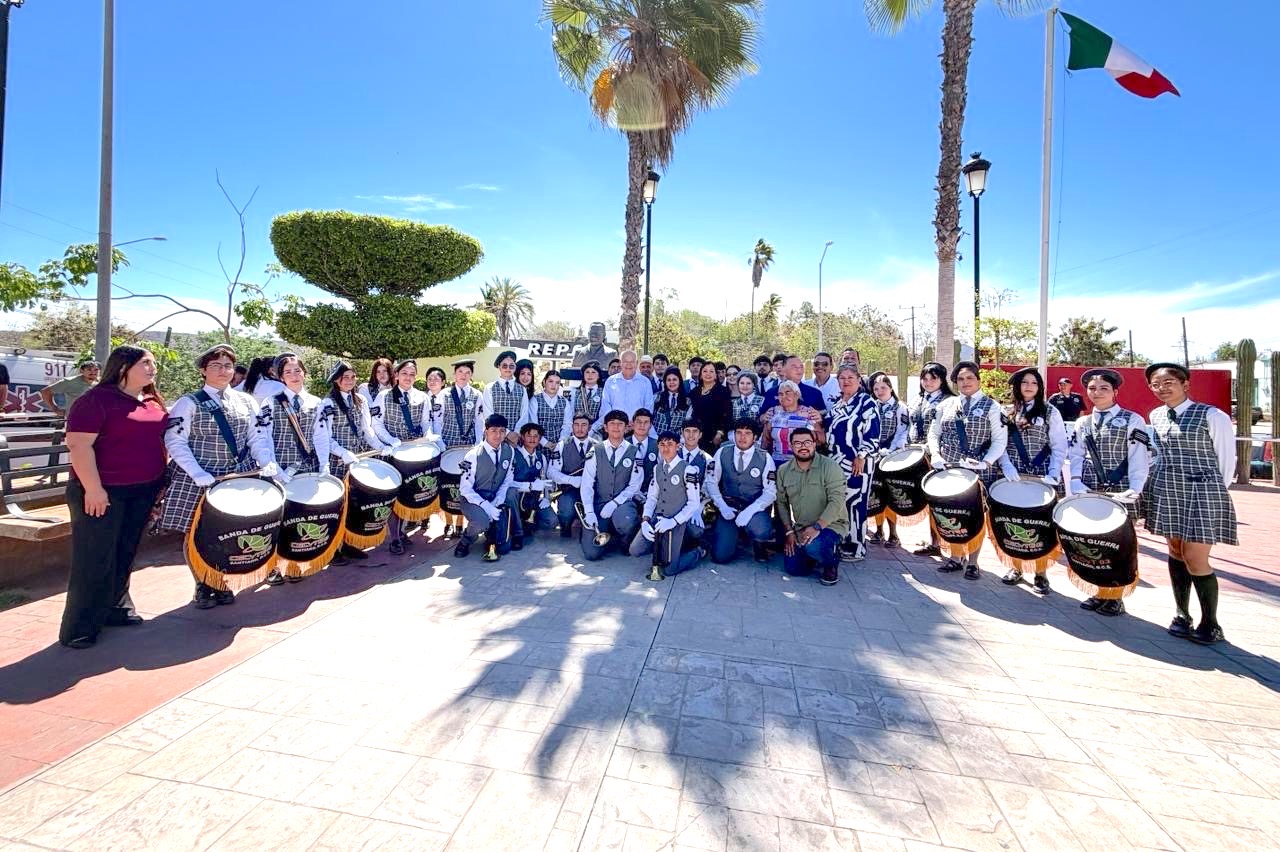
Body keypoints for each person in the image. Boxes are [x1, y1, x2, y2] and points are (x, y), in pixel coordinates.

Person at [59, 346, 168, 649]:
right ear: (123, 366)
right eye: (146, 363)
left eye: (153, 364)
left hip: (142, 491)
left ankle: (116, 609)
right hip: (102, 492)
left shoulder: (151, 400)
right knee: (94, 559)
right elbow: (79, 447)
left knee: (125, 552)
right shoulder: (95, 400)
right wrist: (94, 489)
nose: (152, 368)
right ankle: (80, 628)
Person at [160, 344, 261, 609]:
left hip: (236, 476)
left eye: (228, 365)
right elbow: (175, 440)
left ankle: (222, 580)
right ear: (204, 370)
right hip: (200, 478)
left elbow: (256, 437)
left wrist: (266, 461)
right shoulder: (188, 403)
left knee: (230, 531)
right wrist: (197, 472)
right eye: (216, 365)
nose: (223, 370)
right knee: (197, 534)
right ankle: (203, 584)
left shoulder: (246, 401)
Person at [1143, 362, 1237, 645]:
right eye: (1156, 384)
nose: (1162, 388)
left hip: (1203, 491)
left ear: (1185, 384)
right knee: (1175, 549)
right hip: (1168, 489)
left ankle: (1211, 622)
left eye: (1168, 382)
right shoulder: (1156, 415)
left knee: (1196, 558)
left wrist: (1212, 491)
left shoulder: (1212, 415)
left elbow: (1225, 460)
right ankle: (1181, 613)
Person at [1066, 368, 1151, 615]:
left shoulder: (1131, 419)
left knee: (1119, 545)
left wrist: (1136, 487)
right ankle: (1098, 590)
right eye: (1092, 388)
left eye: (1104, 388)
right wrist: (1075, 480)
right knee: (1093, 540)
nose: (1097, 393)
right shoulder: (1083, 422)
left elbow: (1138, 456)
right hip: (1091, 487)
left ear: (1115, 391)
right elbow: (1076, 454)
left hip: (1121, 488)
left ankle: (1116, 595)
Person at [251, 353, 328, 582]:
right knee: (276, 519)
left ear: (304, 372)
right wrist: (272, 467)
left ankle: (295, 562)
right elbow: (263, 437)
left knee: (301, 517)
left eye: (297, 370)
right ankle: (272, 567)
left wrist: (323, 464)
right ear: (280, 377)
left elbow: (321, 436)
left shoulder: (316, 403)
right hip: (281, 467)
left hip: (307, 467)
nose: (294, 376)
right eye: (288, 372)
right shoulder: (271, 402)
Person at [926, 360, 1007, 579]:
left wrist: (987, 462)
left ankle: (973, 561)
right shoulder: (945, 405)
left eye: (970, 378)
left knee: (974, 516)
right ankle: (954, 557)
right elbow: (934, 434)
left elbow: (999, 441)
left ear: (979, 380)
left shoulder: (993, 407)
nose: (965, 382)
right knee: (951, 512)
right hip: (949, 467)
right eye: (960, 379)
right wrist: (935, 454)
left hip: (978, 470)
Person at [995, 367, 1068, 594]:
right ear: (1017, 386)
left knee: (1041, 525)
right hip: (1013, 474)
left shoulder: (1050, 411)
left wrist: (1054, 471)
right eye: (1024, 382)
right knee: (1013, 520)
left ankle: (1040, 572)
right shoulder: (1006, 412)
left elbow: (1059, 445)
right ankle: (1015, 567)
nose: (1029, 386)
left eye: (1034, 383)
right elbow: (1000, 442)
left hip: (1042, 473)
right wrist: (1005, 464)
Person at [314, 361, 390, 564]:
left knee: (355, 504)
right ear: (336, 380)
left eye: (352, 377)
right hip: (339, 461)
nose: (349, 380)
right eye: (344, 377)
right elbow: (324, 436)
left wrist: (380, 445)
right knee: (338, 507)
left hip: (359, 459)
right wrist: (341, 452)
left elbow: (367, 429)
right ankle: (333, 550)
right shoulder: (328, 403)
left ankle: (348, 544)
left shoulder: (361, 400)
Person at [373, 359, 435, 555]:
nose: (408, 378)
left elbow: (426, 423)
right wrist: (391, 440)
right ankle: (395, 537)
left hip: (415, 453)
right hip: (394, 453)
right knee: (395, 496)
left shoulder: (422, 397)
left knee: (409, 493)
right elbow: (377, 424)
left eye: (412, 374)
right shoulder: (383, 396)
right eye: (404, 374)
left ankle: (402, 531)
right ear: (397, 376)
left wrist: (428, 437)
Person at [776, 427, 848, 585]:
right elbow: (781, 502)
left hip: (831, 525)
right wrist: (789, 531)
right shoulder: (783, 471)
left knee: (815, 546)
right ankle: (814, 555)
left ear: (815, 444)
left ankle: (831, 562)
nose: (803, 446)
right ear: (791, 446)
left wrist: (817, 527)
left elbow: (837, 501)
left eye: (807, 442)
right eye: (797, 443)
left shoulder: (830, 467)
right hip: (802, 527)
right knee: (794, 569)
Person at [631, 431, 706, 576]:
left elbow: (693, 503)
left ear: (678, 446)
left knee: (670, 569)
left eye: (670, 445)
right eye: (662, 445)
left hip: (676, 522)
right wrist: (645, 520)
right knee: (635, 549)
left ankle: (698, 551)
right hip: (658, 519)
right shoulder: (657, 468)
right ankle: (662, 549)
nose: (665, 449)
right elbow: (652, 498)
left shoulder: (688, 470)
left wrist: (673, 521)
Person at [826, 364, 881, 562]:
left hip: (858, 463)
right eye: (842, 378)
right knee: (839, 503)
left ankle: (857, 546)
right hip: (836, 462)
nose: (846, 381)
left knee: (856, 503)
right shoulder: (837, 404)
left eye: (850, 377)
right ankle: (840, 540)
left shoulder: (867, 403)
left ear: (859, 380)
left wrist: (862, 455)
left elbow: (873, 433)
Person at [705, 417, 776, 563]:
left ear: (755, 437)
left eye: (747, 433)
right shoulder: (722, 452)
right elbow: (711, 482)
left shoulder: (764, 457)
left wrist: (750, 511)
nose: (742, 437)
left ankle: (758, 543)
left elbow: (771, 491)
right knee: (721, 557)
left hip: (753, 505)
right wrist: (722, 506)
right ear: (734, 435)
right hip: (729, 506)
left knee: (762, 531)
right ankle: (733, 536)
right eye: (739, 432)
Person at [579, 409, 644, 561]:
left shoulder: (634, 452)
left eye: (620, 424)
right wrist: (589, 511)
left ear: (627, 427)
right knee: (591, 554)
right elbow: (587, 483)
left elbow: (635, 485)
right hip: (599, 505)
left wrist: (615, 503)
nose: (616, 427)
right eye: (612, 424)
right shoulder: (596, 450)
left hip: (622, 504)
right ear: (605, 427)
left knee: (626, 521)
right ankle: (603, 534)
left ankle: (624, 540)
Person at [909, 361, 955, 557]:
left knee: (939, 501)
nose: (928, 382)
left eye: (933, 378)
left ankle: (944, 542)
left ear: (942, 380)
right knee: (924, 499)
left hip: (936, 456)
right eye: (924, 378)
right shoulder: (917, 399)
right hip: (915, 456)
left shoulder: (949, 401)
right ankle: (933, 540)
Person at [455, 414, 516, 561]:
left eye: (502, 431)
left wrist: (499, 499)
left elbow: (507, 479)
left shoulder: (509, 451)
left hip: (494, 498)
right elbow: (465, 489)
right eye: (493, 430)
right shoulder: (473, 455)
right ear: (485, 431)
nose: (498, 435)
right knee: (481, 522)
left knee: (504, 547)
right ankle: (466, 540)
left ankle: (490, 534)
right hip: (472, 500)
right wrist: (486, 506)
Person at [438, 359, 483, 538]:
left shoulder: (476, 395)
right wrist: (440, 443)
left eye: (467, 372)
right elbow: (437, 421)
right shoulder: (444, 394)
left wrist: (479, 444)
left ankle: (460, 523)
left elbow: (479, 422)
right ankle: (448, 522)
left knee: (464, 485)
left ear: (471, 375)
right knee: (448, 484)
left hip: (468, 447)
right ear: (454, 375)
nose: (463, 376)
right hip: (449, 445)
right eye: (460, 372)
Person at [867, 372, 909, 548]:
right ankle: (878, 530)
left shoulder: (900, 407)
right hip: (874, 454)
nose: (879, 391)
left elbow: (903, 431)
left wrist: (891, 449)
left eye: (883, 388)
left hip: (891, 456)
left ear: (890, 388)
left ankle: (893, 533)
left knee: (890, 494)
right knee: (876, 492)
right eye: (876, 389)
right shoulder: (872, 406)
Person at [506, 422, 555, 550]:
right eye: (529, 436)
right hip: (516, 499)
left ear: (540, 439)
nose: (533, 439)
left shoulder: (541, 457)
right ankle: (518, 533)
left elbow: (546, 480)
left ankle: (527, 524)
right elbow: (508, 483)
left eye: (536, 436)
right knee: (511, 494)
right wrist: (530, 486)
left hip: (533, 500)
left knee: (552, 521)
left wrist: (547, 498)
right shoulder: (513, 455)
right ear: (522, 437)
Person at [760, 381, 826, 465]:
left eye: (788, 393)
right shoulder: (773, 413)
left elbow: (821, 440)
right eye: (780, 394)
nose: (784, 396)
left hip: (803, 462)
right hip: (777, 462)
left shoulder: (808, 413)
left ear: (797, 395)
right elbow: (765, 440)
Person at [549, 413, 593, 538]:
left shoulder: (597, 446)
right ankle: (566, 526)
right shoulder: (562, 445)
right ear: (572, 427)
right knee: (566, 510)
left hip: (591, 490)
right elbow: (551, 472)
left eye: (584, 425)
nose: (580, 428)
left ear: (589, 428)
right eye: (576, 425)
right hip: (570, 489)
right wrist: (571, 480)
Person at [594, 350, 654, 433]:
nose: (628, 365)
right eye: (625, 361)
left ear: (636, 363)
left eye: (632, 362)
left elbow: (648, 406)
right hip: (615, 429)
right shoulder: (611, 381)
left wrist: (636, 423)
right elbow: (606, 405)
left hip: (638, 429)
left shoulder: (645, 382)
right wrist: (617, 423)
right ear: (621, 363)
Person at [479, 351, 530, 441]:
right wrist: (507, 433)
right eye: (504, 365)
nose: (508, 368)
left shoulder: (522, 389)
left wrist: (516, 433)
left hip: (515, 438)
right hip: (494, 436)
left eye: (511, 366)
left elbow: (524, 414)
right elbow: (488, 414)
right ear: (499, 367)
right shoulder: (489, 388)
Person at [688, 361, 732, 451]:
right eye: (705, 371)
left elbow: (727, 415)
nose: (708, 374)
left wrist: (720, 433)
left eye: (711, 371)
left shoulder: (723, 391)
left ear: (716, 375)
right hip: (696, 436)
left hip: (715, 437)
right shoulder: (694, 392)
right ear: (700, 374)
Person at [761, 355, 827, 412]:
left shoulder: (815, 393)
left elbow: (824, 414)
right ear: (784, 370)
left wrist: (819, 415)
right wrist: (763, 417)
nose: (799, 370)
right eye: (794, 367)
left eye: (801, 367)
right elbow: (760, 417)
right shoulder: (771, 393)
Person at [629, 408, 660, 514]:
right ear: (633, 424)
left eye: (646, 422)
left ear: (651, 425)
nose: (642, 425)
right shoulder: (623, 443)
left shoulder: (659, 446)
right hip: (626, 495)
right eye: (639, 422)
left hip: (650, 495)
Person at [531, 370, 573, 447]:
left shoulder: (564, 402)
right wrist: (545, 442)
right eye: (550, 381)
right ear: (544, 382)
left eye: (557, 382)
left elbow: (568, 424)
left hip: (559, 445)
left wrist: (560, 442)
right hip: (538, 445)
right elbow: (533, 424)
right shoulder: (535, 400)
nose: (554, 385)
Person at [652, 367, 691, 436]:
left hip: (676, 441)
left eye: (674, 379)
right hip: (658, 439)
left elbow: (687, 423)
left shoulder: (687, 401)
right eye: (668, 380)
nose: (671, 382)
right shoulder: (657, 397)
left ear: (679, 381)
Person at [573, 360, 605, 427]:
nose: (590, 375)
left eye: (593, 372)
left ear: (598, 376)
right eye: (587, 372)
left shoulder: (604, 392)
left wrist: (593, 429)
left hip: (598, 430)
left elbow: (604, 414)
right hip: (578, 429)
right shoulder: (575, 392)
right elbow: (571, 413)